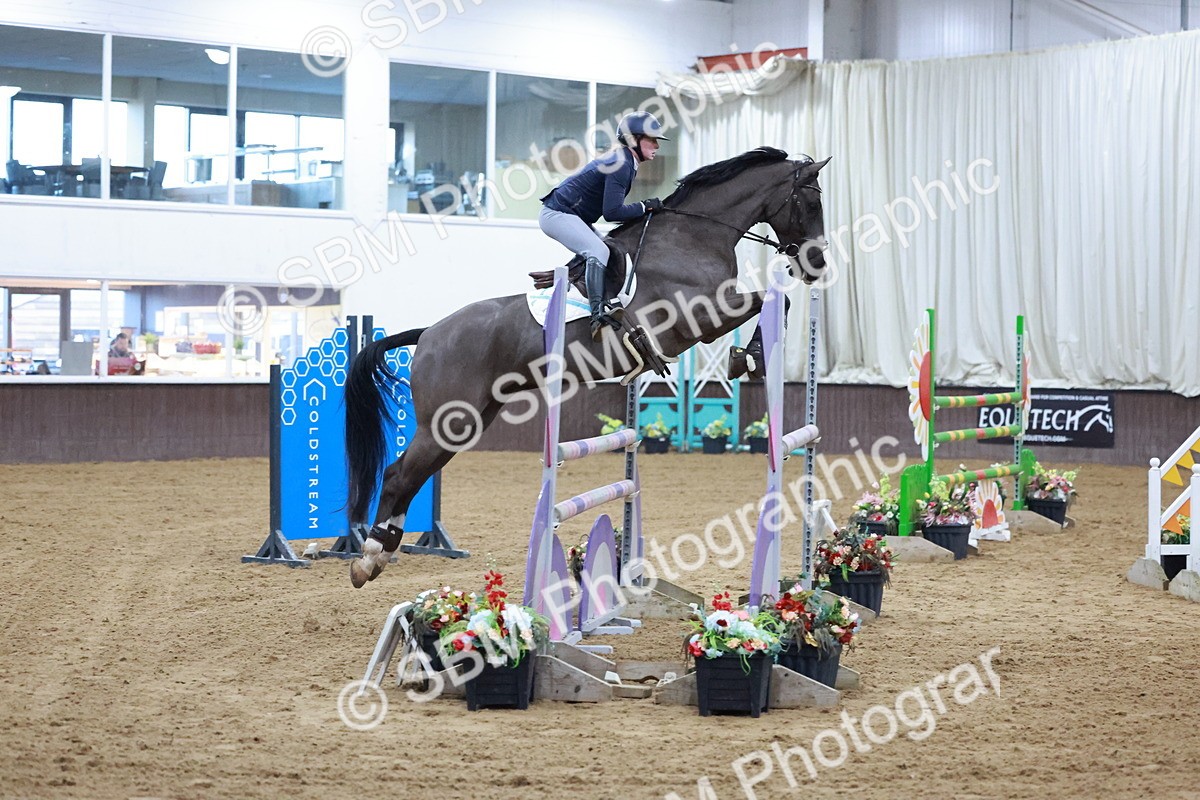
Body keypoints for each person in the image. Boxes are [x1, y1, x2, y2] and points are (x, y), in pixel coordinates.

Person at [540, 111, 669, 340]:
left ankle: (572, 282)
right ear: (633, 140)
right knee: (598, 250)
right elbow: (612, 213)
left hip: (573, 216)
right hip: (557, 214)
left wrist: (643, 208)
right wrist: (644, 206)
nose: (657, 145)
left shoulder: (626, 160)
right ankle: (597, 315)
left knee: (607, 247)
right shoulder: (621, 163)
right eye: (652, 139)